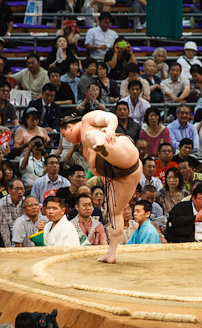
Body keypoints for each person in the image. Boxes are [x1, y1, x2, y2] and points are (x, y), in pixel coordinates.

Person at [60, 109, 142, 262]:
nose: (67, 140)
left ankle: (100, 143)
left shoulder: (86, 120)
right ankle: (111, 253)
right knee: (115, 212)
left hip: (121, 150)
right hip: (123, 173)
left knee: (90, 136)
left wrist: (110, 129)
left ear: (70, 127)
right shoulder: (84, 150)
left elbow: (111, 116)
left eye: (65, 135)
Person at [0, 178, 25, 247]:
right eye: (17, 189)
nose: (20, 192)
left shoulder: (27, 202)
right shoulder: (0, 205)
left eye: (22, 189)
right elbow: (2, 230)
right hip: (7, 238)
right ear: (9, 190)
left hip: (24, 237)